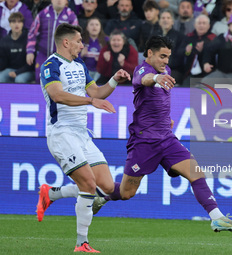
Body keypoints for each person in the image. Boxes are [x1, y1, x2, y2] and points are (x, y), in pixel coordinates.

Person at [92, 35, 232, 233]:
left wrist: (167, 119)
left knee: (196, 173)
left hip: (166, 139)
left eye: (168, 57)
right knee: (126, 192)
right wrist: (156, 78)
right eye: (162, 56)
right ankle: (102, 195)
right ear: (149, 54)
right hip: (144, 143)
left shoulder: (166, 71)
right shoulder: (142, 70)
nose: (166, 61)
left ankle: (217, 218)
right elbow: (145, 80)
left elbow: (160, 101)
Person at [37, 23, 131, 252]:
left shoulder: (79, 64)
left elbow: (96, 92)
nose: (82, 44)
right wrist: (91, 102)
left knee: (107, 186)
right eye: (79, 40)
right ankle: (82, 243)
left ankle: (50, 193)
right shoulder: (50, 65)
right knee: (88, 183)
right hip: (62, 133)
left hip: (82, 135)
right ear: (66, 42)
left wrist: (114, 80)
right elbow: (57, 95)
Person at [26, 0, 78, 83]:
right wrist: (30, 51)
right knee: (40, 79)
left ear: (66, 1)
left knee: (61, 82)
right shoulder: (43, 13)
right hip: (43, 54)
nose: (59, 1)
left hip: (62, 57)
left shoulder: (71, 15)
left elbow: (75, 38)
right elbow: (32, 33)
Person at [0, 12, 34, 83]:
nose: (16, 24)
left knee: (19, 80)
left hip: (27, 70)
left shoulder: (29, 39)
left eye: (19, 22)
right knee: (1, 77)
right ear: (9, 24)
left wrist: (18, 72)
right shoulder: (4, 41)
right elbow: (3, 62)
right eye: (14, 22)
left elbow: (31, 64)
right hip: (11, 69)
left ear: (22, 24)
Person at [183, 14, 216, 85]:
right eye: (199, 23)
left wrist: (201, 52)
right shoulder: (189, 37)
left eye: (204, 23)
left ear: (209, 26)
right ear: (195, 25)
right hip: (190, 73)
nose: (201, 25)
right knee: (185, 87)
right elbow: (181, 54)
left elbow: (214, 56)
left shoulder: (213, 38)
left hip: (207, 73)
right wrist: (187, 52)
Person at [81, 17, 108, 82]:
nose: (94, 27)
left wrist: (102, 59)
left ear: (100, 27)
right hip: (84, 72)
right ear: (87, 27)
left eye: (97, 25)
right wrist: (81, 55)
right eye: (91, 24)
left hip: (101, 73)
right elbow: (73, 60)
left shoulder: (107, 41)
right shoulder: (81, 40)